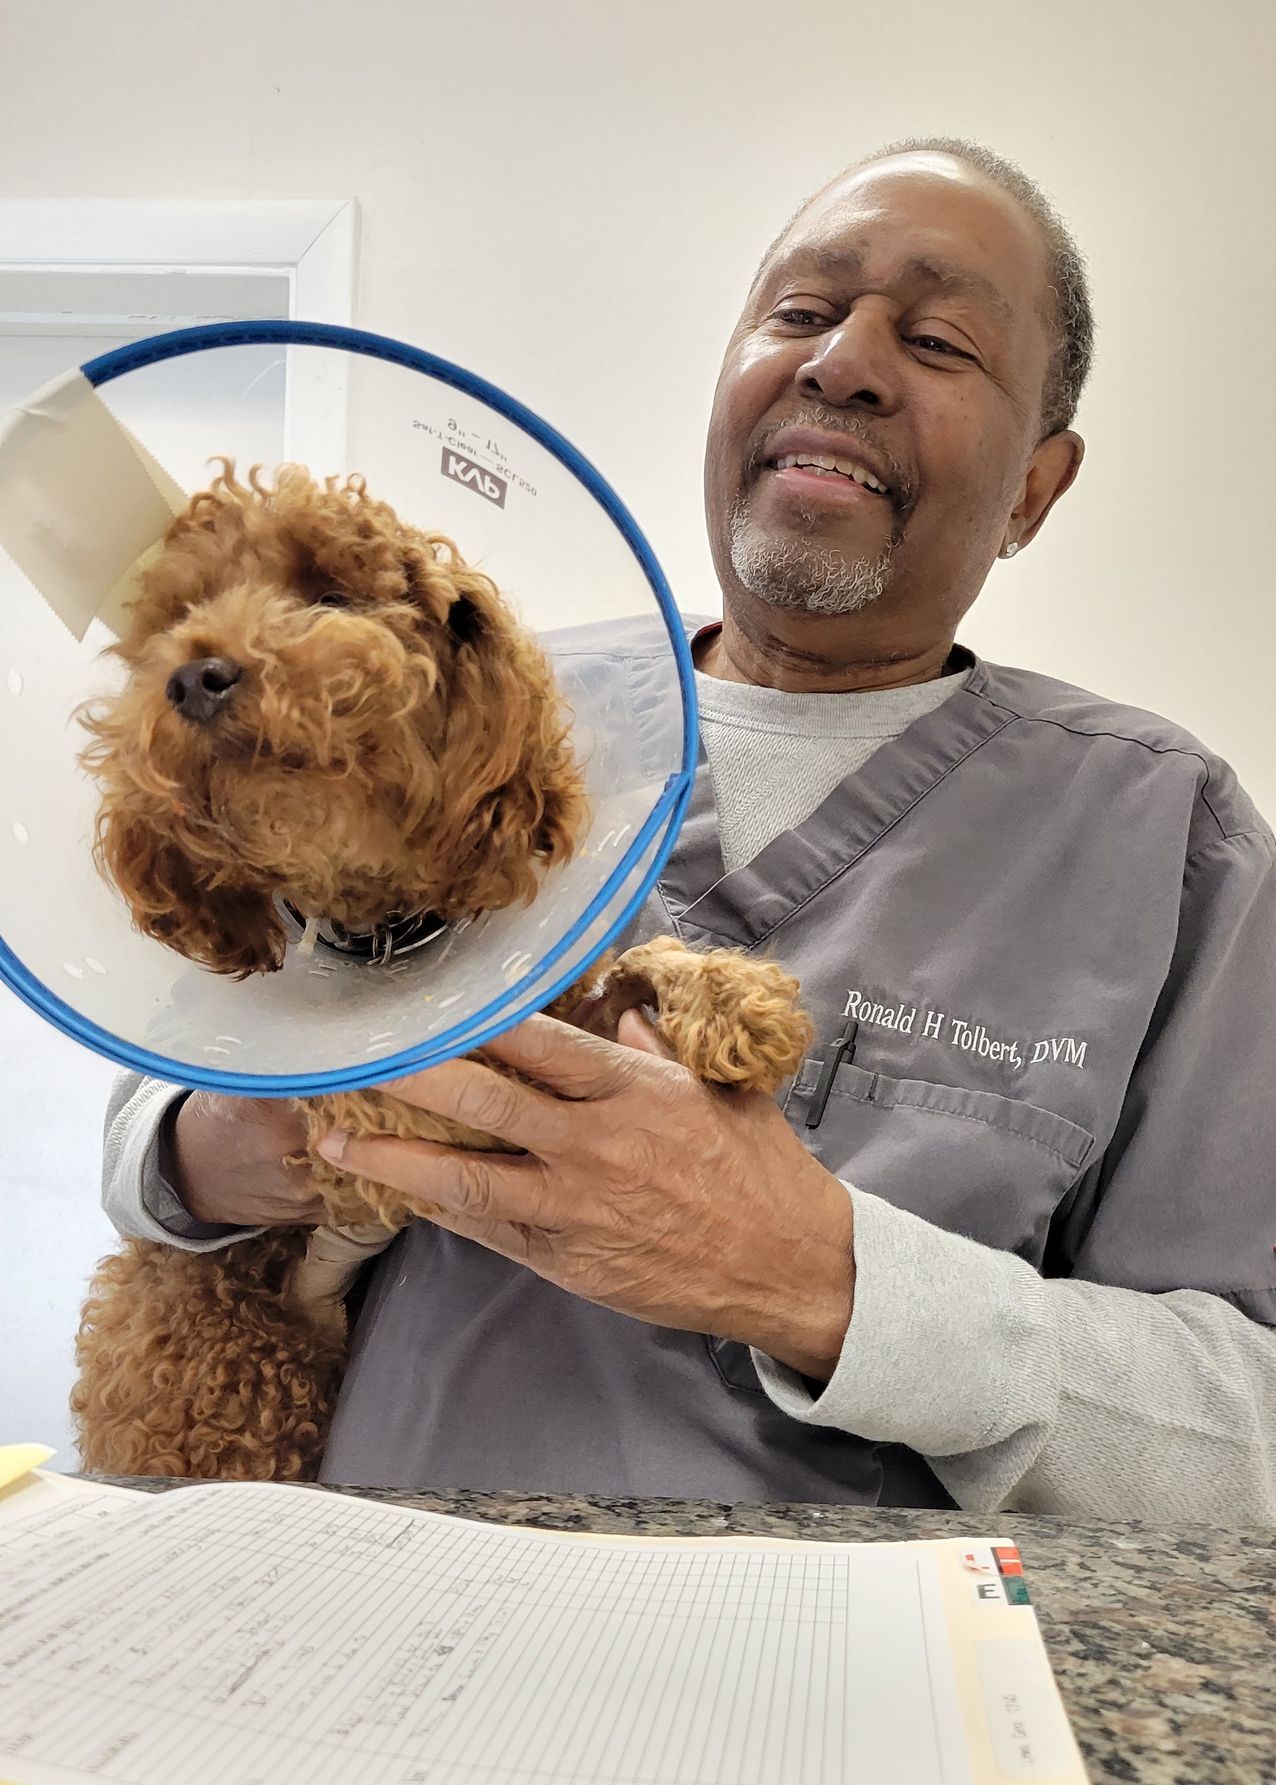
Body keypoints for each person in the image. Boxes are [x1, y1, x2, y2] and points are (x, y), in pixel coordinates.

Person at [103, 137, 1276, 1522]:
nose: (842, 360)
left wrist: (822, 1281)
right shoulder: (434, 711)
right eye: (797, 312)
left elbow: (1244, 1424)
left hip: (860, 1678)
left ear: (1035, 486)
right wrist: (210, 1149)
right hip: (378, 1624)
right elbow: (152, 1121)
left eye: (940, 338)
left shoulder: (1165, 837)